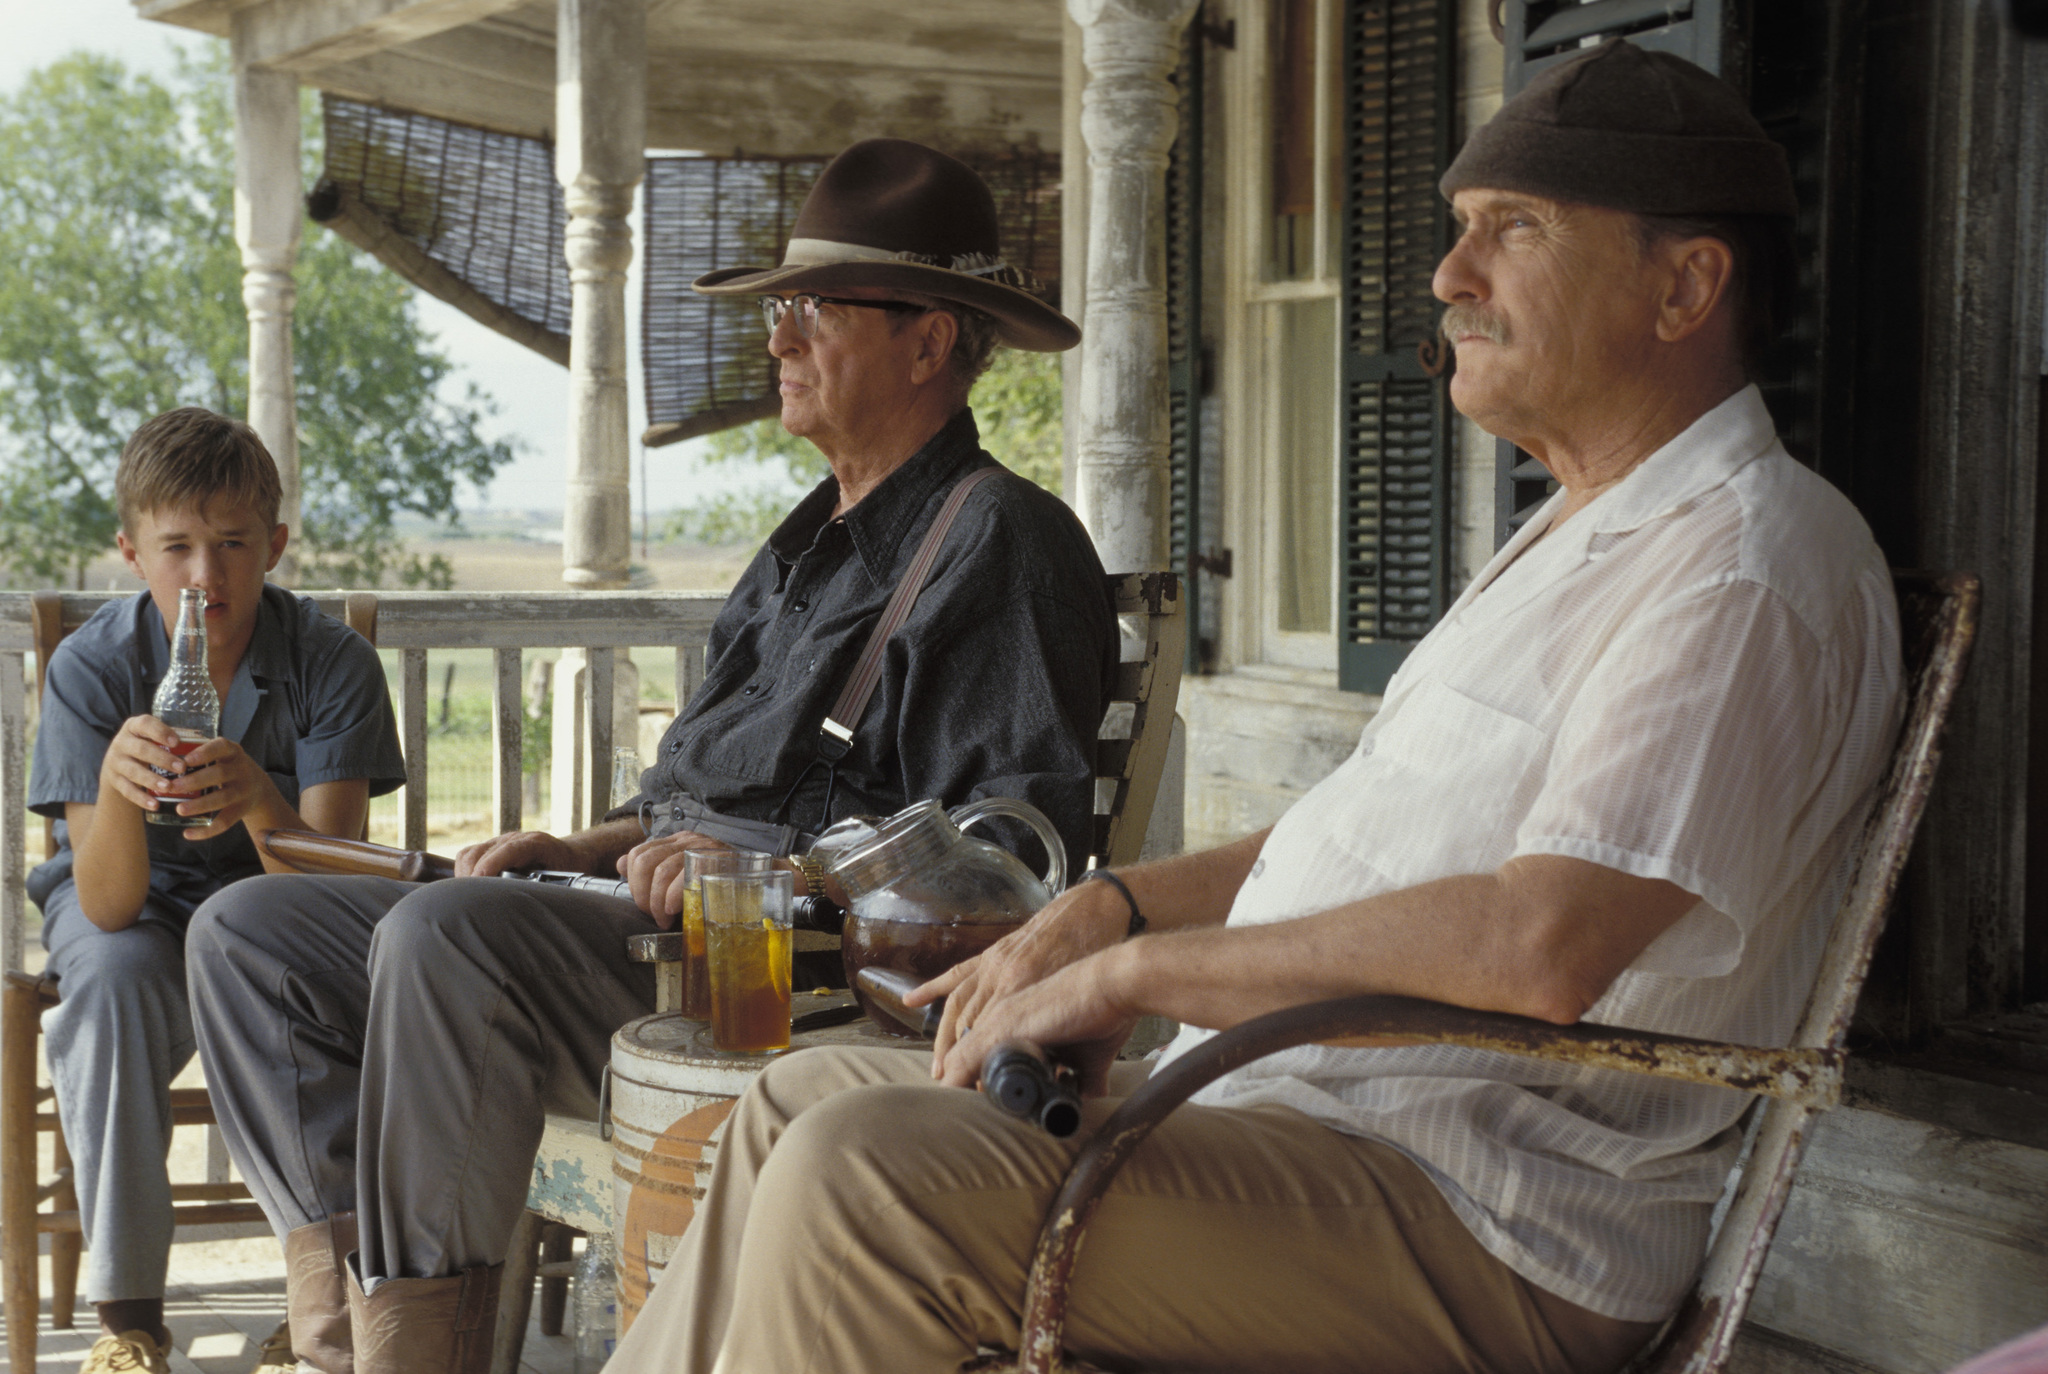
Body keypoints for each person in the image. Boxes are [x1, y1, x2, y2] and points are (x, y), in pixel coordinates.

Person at [604, 40, 1903, 1374]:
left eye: (1514, 233)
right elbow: (1342, 850)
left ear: (1686, 285)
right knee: (797, 1101)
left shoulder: (1746, 565)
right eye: (1460, 233)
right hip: (1305, 1127)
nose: (1450, 277)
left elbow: (1541, 943)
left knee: (867, 1175)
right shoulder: (1572, 540)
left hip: (1486, 1218)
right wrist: (1107, 908)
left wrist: (1134, 973)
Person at [185, 138, 1115, 1374]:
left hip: (795, 983)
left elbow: (1008, 860)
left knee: (442, 937)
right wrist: (577, 847)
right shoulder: (801, 547)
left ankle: (422, 1360)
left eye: (810, 312)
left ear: (927, 340)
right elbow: (699, 783)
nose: (776, 341)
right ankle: (346, 1336)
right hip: (648, 929)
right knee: (247, 933)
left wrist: (764, 874)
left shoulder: (1001, 541)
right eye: (780, 310)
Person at [24, 408, 405, 1374]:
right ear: (130, 552)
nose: (206, 576)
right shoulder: (91, 668)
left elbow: (328, 886)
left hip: (276, 907)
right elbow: (104, 907)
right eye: (178, 548)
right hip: (132, 909)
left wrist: (263, 803)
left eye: (234, 544)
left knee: (306, 968)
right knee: (107, 983)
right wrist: (116, 783)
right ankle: (130, 1319)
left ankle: (318, 1302)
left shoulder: (333, 662)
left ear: (275, 545)